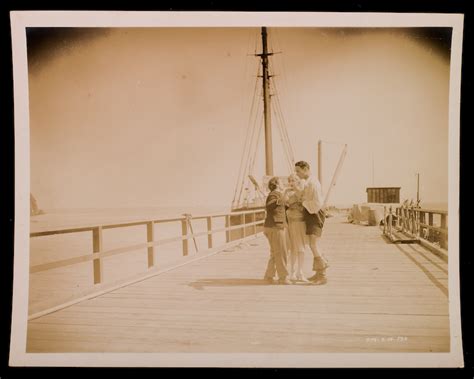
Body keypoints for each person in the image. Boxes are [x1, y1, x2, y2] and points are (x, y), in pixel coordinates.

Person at [294, 161, 329, 285]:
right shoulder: (309, 182)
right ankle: (319, 272)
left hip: (315, 214)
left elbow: (317, 204)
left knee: (313, 245)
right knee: (312, 244)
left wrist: (303, 203)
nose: (297, 174)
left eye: (298, 171)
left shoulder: (313, 184)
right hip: (311, 214)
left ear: (305, 169)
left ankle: (322, 275)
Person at [263, 177, 291, 285]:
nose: (284, 183)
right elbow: (269, 206)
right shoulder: (274, 194)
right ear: (277, 184)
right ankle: (283, 278)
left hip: (274, 226)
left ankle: (269, 276)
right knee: (281, 252)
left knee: (275, 252)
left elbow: (284, 207)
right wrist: (281, 199)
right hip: (275, 227)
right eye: (281, 182)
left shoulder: (279, 194)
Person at [284, 174, 309, 282]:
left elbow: (304, 200)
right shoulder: (288, 193)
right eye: (290, 180)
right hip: (292, 223)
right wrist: (286, 191)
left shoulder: (301, 191)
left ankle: (300, 272)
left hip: (301, 222)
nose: (292, 182)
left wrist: (298, 189)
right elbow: (285, 203)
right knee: (294, 248)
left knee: (302, 248)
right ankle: (293, 272)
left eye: (294, 180)